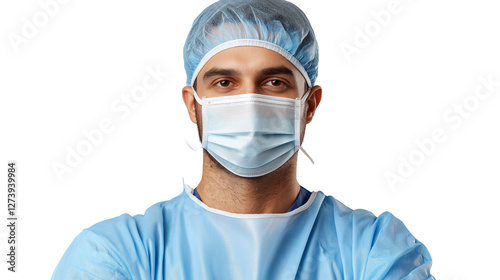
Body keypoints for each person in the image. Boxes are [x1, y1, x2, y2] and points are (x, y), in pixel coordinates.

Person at [51, 0, 435, 279]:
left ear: (310, 105)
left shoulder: (374, 253)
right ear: (193, 104)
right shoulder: (116, 254)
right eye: (224, 83)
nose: (248, 102)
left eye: (274, 82)